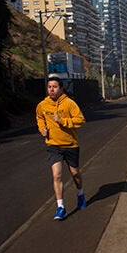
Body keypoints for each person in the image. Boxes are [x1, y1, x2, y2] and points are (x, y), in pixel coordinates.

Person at [36, 77, 86, 220]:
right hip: (53, 145)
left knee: (75, 173)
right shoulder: (42, 105)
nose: (52, 89)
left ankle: (80, 193)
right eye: (49, 87)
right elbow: (39, 117)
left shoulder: (69, 103)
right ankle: (60, 207)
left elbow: (81, 120)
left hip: (70, 145)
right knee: (56, 175)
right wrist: (42, 128)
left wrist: (63, 121)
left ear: (61, 88)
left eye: (55, 87)